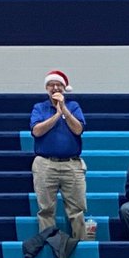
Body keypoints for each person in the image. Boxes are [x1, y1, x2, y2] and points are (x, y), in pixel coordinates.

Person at [30, 69, 88, 241]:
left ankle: (82, 244)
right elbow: (37, 131)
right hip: (45, 164)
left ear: (65, 88)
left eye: (59, 85)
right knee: (46, 209)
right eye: (51, 85)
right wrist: (56, 114)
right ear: (46, 88)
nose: (55, 88)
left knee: (77, 209)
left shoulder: (74, 106)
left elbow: (78, 129)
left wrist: (63, 109)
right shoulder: (39, 108)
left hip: (71, 164)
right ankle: (51, 245)